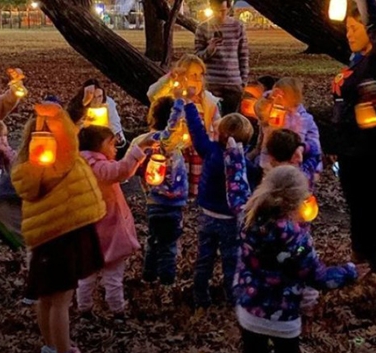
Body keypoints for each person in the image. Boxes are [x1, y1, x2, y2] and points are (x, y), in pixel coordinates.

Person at [231, 165, 363, 353]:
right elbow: (319, 277)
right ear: (297, 201)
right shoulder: (295, 238)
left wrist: (233, 155)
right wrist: (350, 271)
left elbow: (236, 186)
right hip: (283, 316)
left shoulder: (245, 216)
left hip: (250, 309)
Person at [11, 103, 106, 353]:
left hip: (44, 239)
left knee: (47, 297)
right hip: (61, 236)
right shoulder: (59, 162)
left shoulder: (25, 168)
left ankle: (52, 347)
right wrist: (55, 116)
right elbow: (68, 138)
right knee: (61, 300)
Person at [331, 0, 376, 265]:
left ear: (369, 31)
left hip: (372, 147)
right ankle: (361, 254)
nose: (348, 33)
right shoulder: (357, 61)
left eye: (353, 28)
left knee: (368, 207)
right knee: (357, 207)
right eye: (347, 28)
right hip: (350, 146)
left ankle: (374, 261)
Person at [184, 91, 254, 308]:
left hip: (207, 215)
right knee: (231, 259)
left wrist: (189, 107)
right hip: (231, 219)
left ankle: (200, 295)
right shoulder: (243, 164)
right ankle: (233, 298)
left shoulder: (211, 152)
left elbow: (196, 133)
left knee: (204, 257)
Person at [75, 126, 150, 320]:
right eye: (111, 144)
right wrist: (138, 149)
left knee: (86, 274)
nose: (115, 148)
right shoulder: (97, 168)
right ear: (99, 146)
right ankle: (117, 311)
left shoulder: (79, 165)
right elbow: (121, 171)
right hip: (108, 232)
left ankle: (85, 308)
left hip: (86, 231)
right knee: (113, 275)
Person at [148, 54, 222, 198]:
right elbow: (152, 94)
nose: (198, 79)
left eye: (201, 74)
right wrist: (171, 78)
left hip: (198, 151)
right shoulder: (172, 97)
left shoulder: (208, 101)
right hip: (176, 150)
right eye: (193, 75)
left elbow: (216, 125)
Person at [137, 97, 189, 287]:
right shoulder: (166, 141)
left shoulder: (147, 142)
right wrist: (180, 103)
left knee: (153, 240)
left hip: (154, 202)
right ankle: (167, 281)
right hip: (170, 204)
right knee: (168, 245)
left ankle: (149, 276)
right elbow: (173, 126)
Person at [254, 78, 322, 177]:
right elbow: (259, 109)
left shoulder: (304, 119)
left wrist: (302, 148)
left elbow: (315, 145)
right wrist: (269, 98)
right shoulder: (269, 111)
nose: (280, 99)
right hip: (269, 164)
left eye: (284, 95)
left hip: (294, 165)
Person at [194, 0, 250, 116]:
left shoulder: (238, 27)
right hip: (212, 83)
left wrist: (243, 81)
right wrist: (210, 49)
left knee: (231, 121)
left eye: (223, 11)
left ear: (229, 8)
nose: (219, 14)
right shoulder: (203, 28)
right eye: (216, 11)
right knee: (212, 120)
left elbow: (243, 55)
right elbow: (197, 58)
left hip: (233, 83)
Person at [66, 79, 127, 147]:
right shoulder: (77, 105)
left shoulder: (108, 104)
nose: (97, 101)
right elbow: (68, 123)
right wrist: (83, 105)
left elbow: (115, 124)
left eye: (99, 96)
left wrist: (118, 138)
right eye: (93, 97)